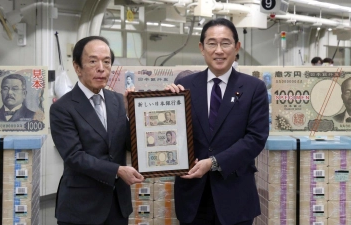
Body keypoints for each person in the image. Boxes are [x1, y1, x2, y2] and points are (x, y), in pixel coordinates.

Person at [165, 18, 269, 225]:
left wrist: (213, 163)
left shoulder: (253, 88)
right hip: (193, 197)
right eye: (212, 43)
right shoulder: (183, 86)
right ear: (202, 48)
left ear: (237, 47)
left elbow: (255, 139)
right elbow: (170, 135)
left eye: (225, 43)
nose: (219, 50)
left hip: (235, 193)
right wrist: (166, 103)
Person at [50, 36, 144, 225]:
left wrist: (131, 115)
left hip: (117, 206)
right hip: (81, 208)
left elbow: (128, 145)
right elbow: (74, 156)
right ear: (77, 67)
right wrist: (117, 170)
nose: (101, 68)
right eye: (93, 61)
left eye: (107, 62)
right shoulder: (62, 108)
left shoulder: (118, 101)